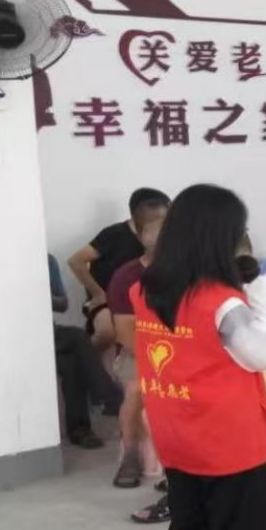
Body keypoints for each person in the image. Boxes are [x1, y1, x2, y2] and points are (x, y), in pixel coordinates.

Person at [130, 184, 266, 530]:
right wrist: (259, 301)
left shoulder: (146, 288)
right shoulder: (223, 302)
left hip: (177, 431)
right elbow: (264, 356)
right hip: (226, 437)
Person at [108, 202, 168, 488]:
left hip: (180, 348)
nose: (161, 235)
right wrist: (155, 363)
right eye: (153, 229)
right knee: (136, 389)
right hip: (137, 351)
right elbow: (124, 333)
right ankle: (130, 455)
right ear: (139, 234)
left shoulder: (187, 271)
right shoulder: (126, 277)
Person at [68, 188, 171, 352]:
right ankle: (83, 359)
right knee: (107, 331)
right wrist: (98, 293)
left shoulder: (168, 243)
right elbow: (76, 261)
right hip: (107, 300)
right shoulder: (113, 234)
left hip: (144, 300)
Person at [50, 255, 114, 450]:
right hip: (10, 338)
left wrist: (41, 295)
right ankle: (108, 396)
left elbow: (63, 304)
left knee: (73, 358)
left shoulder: (47, 261)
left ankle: (81, 430)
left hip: (48, 331)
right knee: (77, 340)